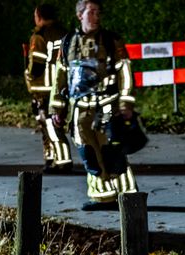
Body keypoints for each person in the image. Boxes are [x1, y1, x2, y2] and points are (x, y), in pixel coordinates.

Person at [49, 0, 138, 210]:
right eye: (92, 12)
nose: (97, 16)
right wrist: (57, 108)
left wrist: (125, 102)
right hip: (79, 108)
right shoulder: (68, 41)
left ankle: (129, 196)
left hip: (106, 105)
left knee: (111, 150)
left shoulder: (111, 40)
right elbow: (60, 76)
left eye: (99, 12)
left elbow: (125, 70)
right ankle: (102, 196)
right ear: (80, 15)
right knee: (88, 151)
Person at [25, 3, 73, 173]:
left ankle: (62, 161)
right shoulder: (65, 33)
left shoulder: (39, 36)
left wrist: (28, 74)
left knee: (50, 126)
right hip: (62, 87)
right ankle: (51, 158)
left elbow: (36, 65)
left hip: (44, 89)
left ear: (38, 16)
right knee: (54, 124)